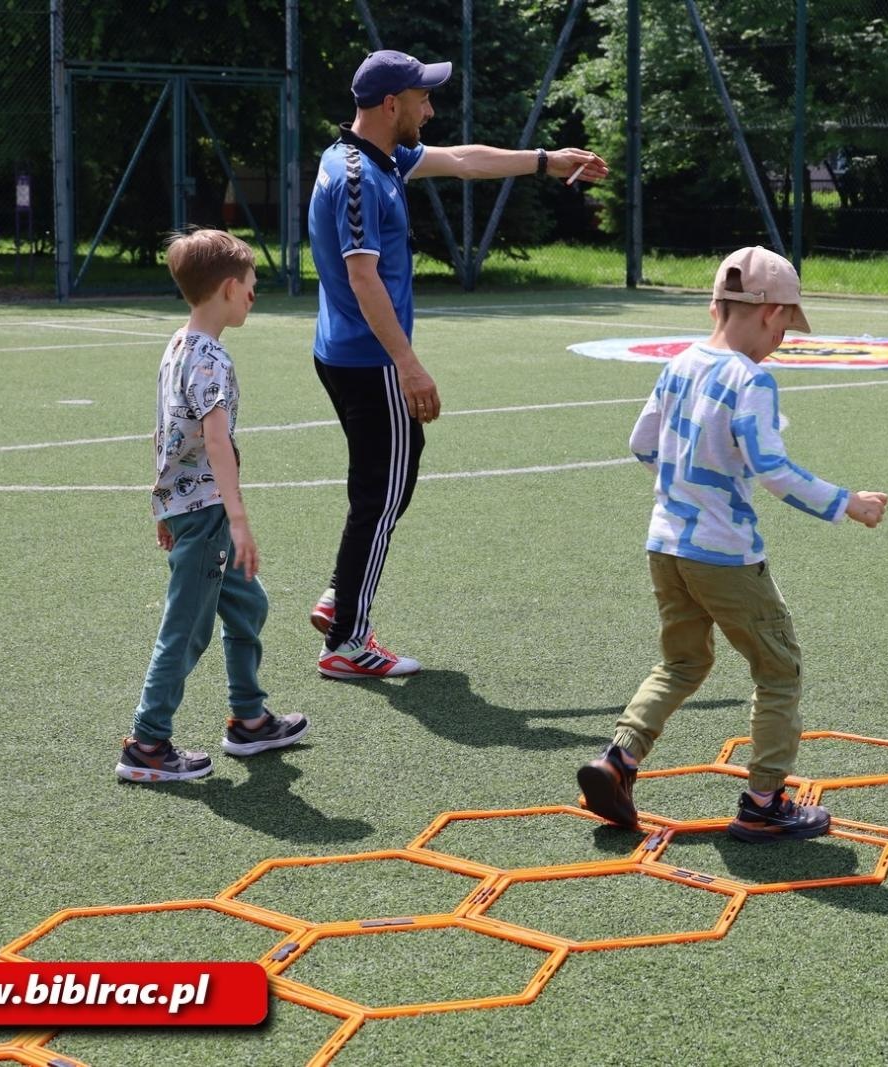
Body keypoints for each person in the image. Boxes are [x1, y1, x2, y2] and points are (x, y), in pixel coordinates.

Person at [307, 49, 609, 679]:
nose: (431, 107)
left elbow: (465, 160)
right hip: (369, 362)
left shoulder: (373, 157)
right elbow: (364, 281)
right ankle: (346, 640)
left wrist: (546, 162)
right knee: (380, 493)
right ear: (392, 105)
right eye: (423, 97)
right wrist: (408, 366)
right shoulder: (359, 177)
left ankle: (342, 593)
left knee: (391, 475)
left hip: (348, 356)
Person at [577, 246, 888, 843]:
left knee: (681, 662)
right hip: (724, 553)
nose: (782, 341)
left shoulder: (679, 364)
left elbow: (642, 444)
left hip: (665, 543)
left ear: (717, 304)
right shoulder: (752, 379)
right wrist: (848, 502)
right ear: (771, 313)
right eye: (786, 328)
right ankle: (764, 801)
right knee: (778, 669)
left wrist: (687, 489)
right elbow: (772, 470)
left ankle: (618, 759)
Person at [117, 229, 308, 783]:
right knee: (187, 627)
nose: (254, 295)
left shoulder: (178, 345)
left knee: (247, 605)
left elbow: (165, 434)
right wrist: (239, 521)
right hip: (205, 515)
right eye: (251, 286)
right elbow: (215, 441)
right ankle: (148, 744)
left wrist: (163, 507)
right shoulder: (208, 360)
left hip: (191, 510)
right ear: (228, 288)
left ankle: (249, 719)